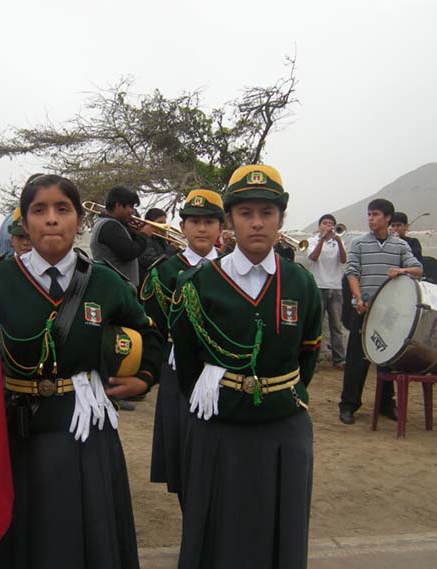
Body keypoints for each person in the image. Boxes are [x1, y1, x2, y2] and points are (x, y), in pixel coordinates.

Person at [0, 174, 163, 569]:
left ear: (78, 221)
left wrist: (144, 377)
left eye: (63, 209)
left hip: (83, 432)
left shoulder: (106, 283)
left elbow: (151, 334)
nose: (51, 219)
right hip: (15, 431)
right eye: (39, 210)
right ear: (23, 223)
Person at [169, 165, 322, 569]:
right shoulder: (197, 283)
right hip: (219, 427)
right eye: (246, 213)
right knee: (216, 527)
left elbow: (308, 353)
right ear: (230, 222)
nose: (257, 223)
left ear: (281, 219)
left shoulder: (301, 284)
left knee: (282, 529)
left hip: (284, 426)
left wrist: (272, 393)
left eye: (267, 213)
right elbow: (187, 361)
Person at [141, 189, 223, 508]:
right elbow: (152, 327)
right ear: (183, 226)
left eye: (209, 222)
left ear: (220, 227)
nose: (202, 229)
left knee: (221, 459)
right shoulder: (163, 271)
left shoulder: (232, 270)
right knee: (184, 456)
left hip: (224, 375)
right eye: (194, 222)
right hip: (179, 376)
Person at [339, 198, 422, 425]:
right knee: (356, 360)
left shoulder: (400, 246)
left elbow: (418, 269)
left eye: (375, 214)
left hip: (389, 315)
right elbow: (352, 273)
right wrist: (357, 297)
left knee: (388, 359)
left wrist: (401, 270)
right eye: (369, 214)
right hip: (363, 311)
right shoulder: (358, 243)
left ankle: (386, 404)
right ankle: (348, 405)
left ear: (387, 218)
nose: (370, 219)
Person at [89, 185, 152, 287]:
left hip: (119, 287)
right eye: (130, 207)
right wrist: (144, 235)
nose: (133, 212)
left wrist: (135, 233)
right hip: (115, 288)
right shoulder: (110, 226)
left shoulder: (113, 224)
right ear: (118, 205)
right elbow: (129, 253)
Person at [307, 214, 347, 369]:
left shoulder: (338, 240)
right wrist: (322, 239)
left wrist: (338, 242)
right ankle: (313, 360)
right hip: (318, 286)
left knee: (336, 326)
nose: (329, 226)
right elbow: (313, 257)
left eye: (331, 224)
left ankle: (340, 360)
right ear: (319, 226)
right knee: (316, 325)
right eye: (325, 223)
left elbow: (343, 260)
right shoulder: (312, 241)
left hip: (336, 287)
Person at [138, 207, 178, 283]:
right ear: (150, 223)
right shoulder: (144, 239)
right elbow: (152, 262)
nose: (163, 227)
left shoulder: (162, 239)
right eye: (160, 223)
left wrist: (178, 250)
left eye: (164, 223)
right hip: (148, 282)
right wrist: (172, 248)